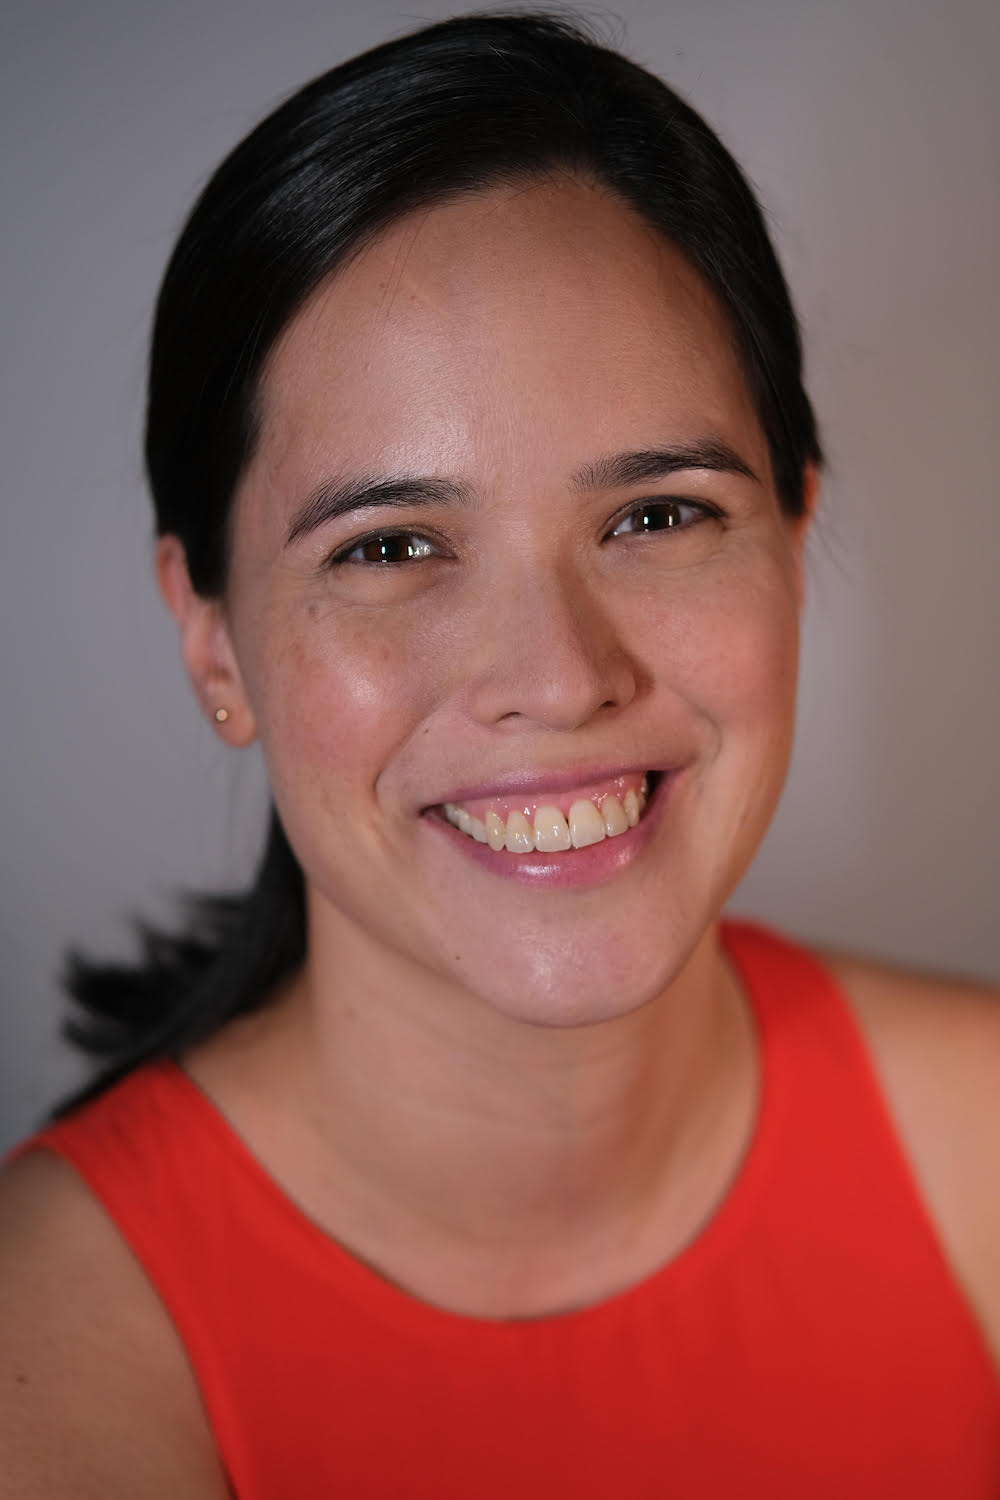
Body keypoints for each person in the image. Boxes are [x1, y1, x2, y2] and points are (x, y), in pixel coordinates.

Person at [1, 11, 998, 1497]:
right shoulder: (50, 1352)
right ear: (215, 639)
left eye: (657, 515)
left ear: (792, 535)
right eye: (394, 545)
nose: (558, 677)